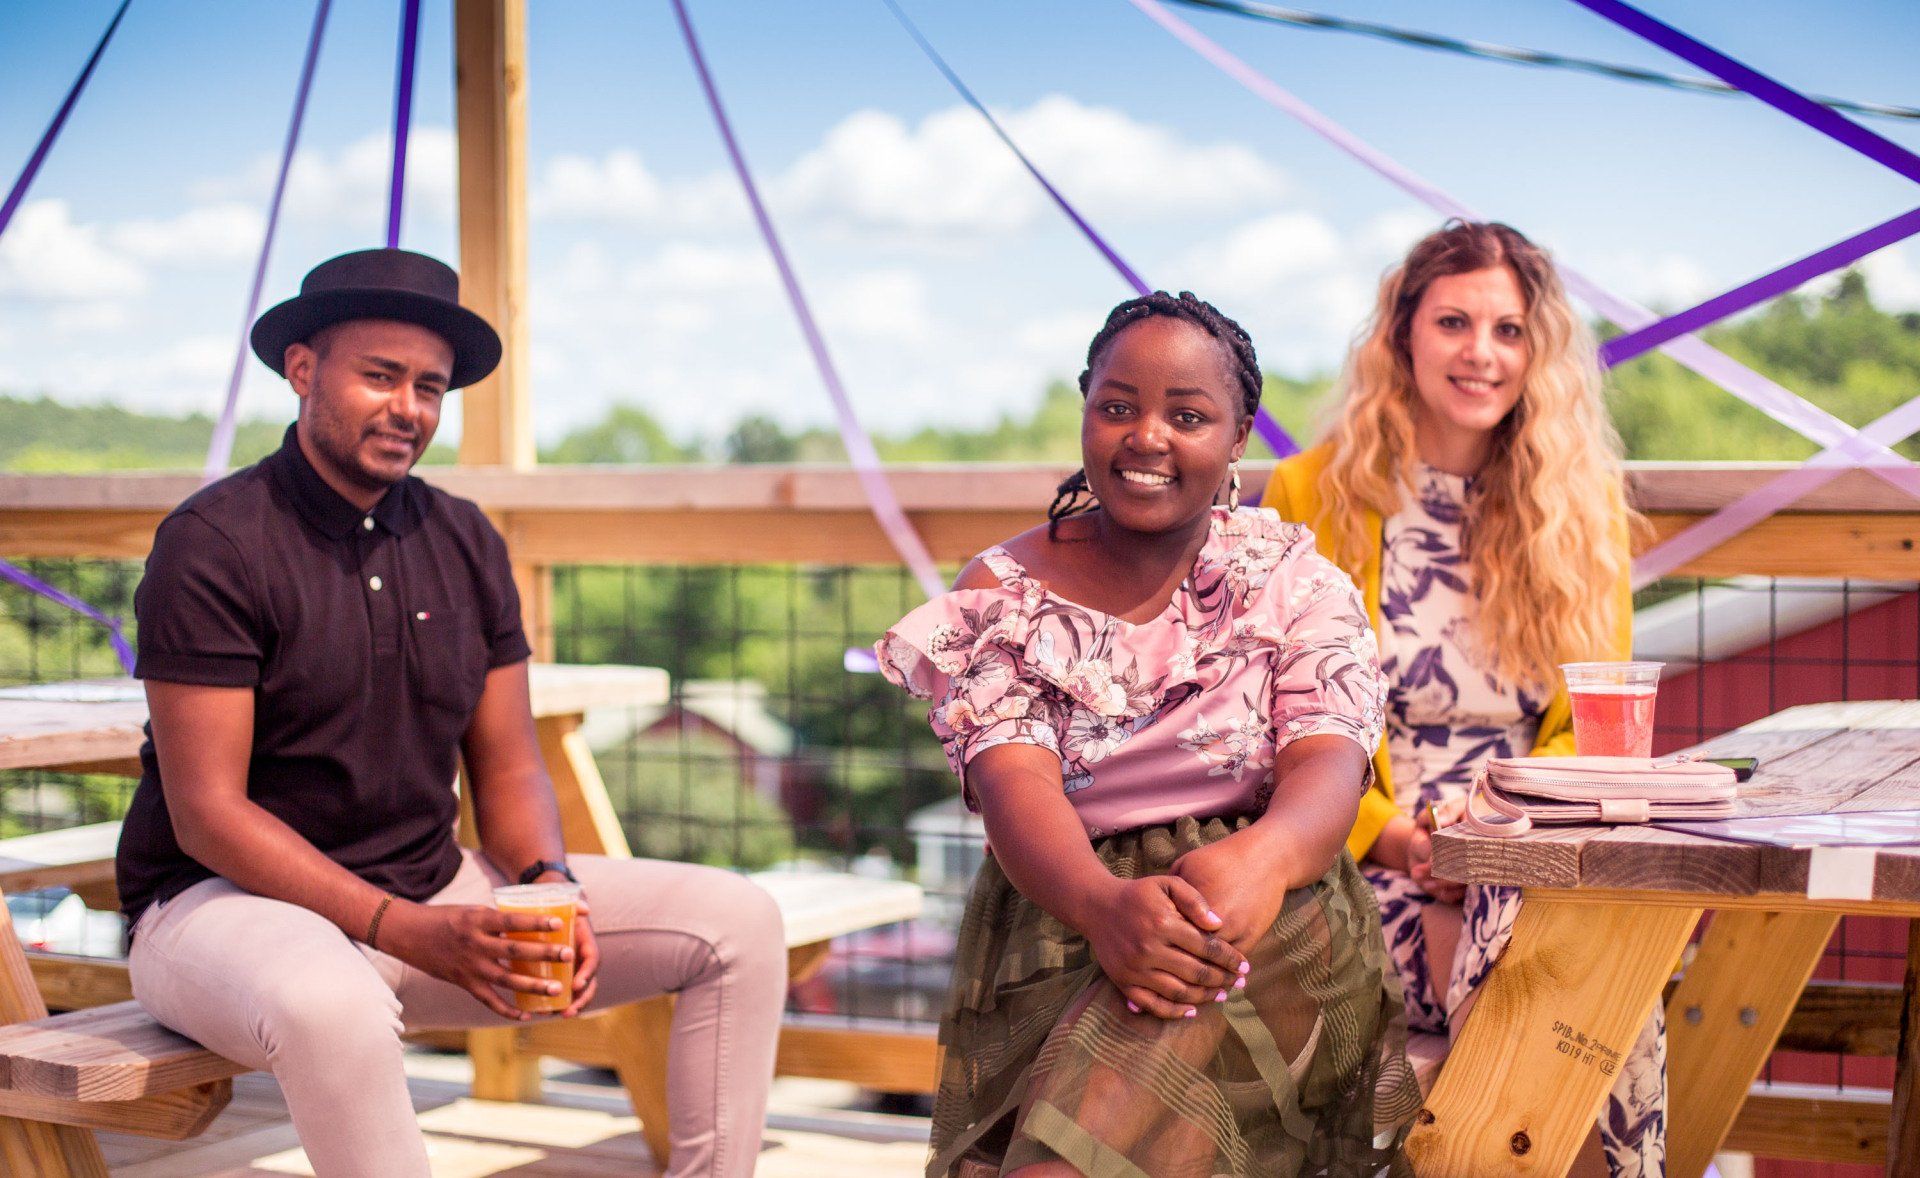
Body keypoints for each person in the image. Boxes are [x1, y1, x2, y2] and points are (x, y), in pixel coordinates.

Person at [116, 248, 786, 1178]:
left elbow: (510, 765)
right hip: (219, 912)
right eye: (380, 376)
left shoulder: (464, 537)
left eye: (430, 388)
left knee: (738, 922)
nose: (410, 410)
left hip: (430, 896)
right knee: (331, 998)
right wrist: (397, 926)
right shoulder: (216, 543)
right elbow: (208, 815)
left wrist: (550, 886)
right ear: (303, 370)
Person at [878, 291, 1418, 1177]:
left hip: (1262, 915)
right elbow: (1016, 785)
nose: (1147, 436)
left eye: (1189, 415)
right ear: (1085, 408)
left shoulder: (1289, 579)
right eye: (1118, 406)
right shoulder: (1003, 593)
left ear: (1239, 438)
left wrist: (1266, 860)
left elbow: (1331, 756)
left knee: (1066, 1161)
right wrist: (1101, 905)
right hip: (1065, 906)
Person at [1260, 221, 1657, 1175]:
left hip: (1526, 842)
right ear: (1402, 337)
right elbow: (1272, 716)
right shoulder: (1312, 494)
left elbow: (1592, 728)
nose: (1482, 353)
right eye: (1453, 323)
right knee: (1567, 998)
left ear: (1538, 353)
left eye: (1509, 330)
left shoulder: (1579, 509)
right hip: (1366, 853)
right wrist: (1407, 838)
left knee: (1597, 978)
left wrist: (1495, 831)